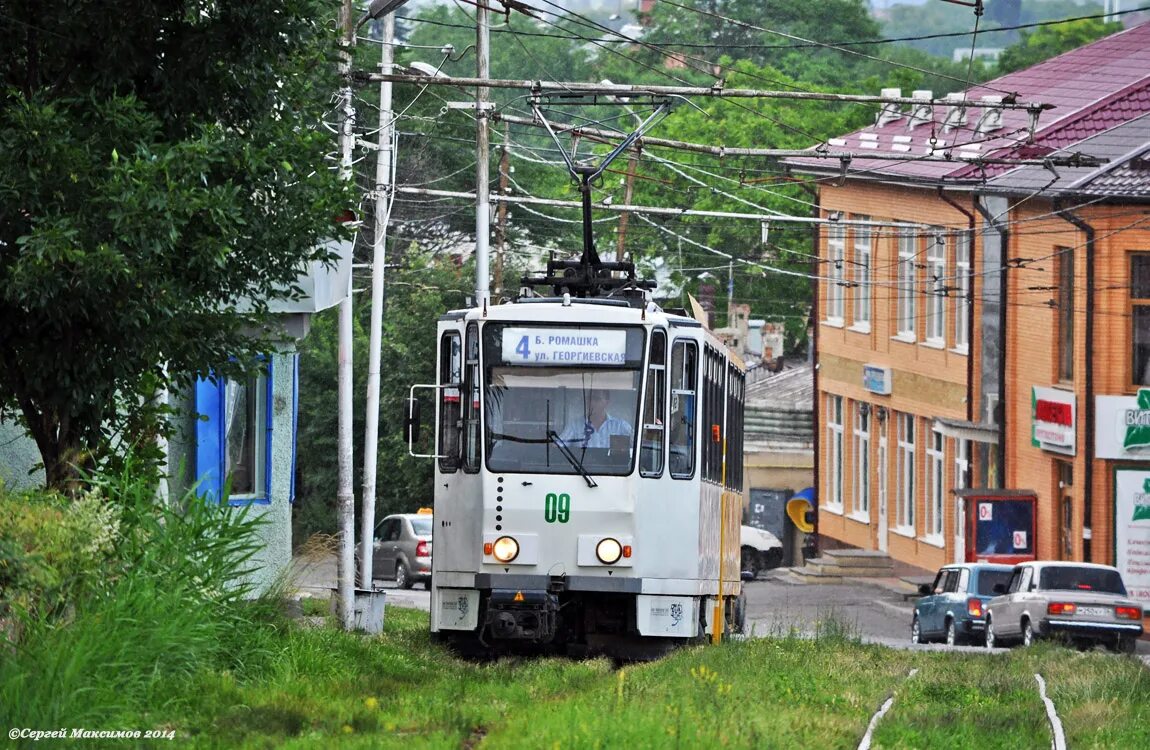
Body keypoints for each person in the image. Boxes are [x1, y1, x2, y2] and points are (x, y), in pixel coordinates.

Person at [559, 388, 632, 449]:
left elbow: (638, 445)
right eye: (589, 398)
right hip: (582, 466)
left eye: (596, 399)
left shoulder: (620, 426)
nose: (592, 402)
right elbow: (558, 446)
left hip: (611, 465)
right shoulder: (575, 425)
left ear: (607, 402)